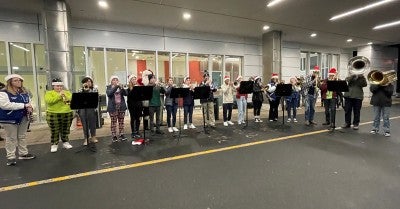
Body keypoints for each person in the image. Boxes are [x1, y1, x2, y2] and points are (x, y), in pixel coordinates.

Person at [0, 74, 36, 166]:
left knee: (22, 136)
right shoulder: (3, 92)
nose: (18, 82)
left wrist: (31, 107)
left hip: (23, 117)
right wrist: (23, 106)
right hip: (9, 118)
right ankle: (11, 157)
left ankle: (23, 153)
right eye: (15, 80)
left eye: (19, 80)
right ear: (10, 82)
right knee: (11, 138)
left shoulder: (24, 91)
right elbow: (5, 105)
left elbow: (31, 101)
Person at [44, 78, 74, 153]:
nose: (59, 88)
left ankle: (65, 142)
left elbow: (71, 99)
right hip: (53, 113)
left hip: (67, 113)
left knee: (66, 129)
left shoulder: (67, 92)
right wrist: (59, 96)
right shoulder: (49, 93)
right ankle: (54, 144)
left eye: (60, 86)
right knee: (55, 130)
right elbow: (49, 101)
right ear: (53, 86)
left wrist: (65, 96)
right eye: (57, 86)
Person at [77, 76, 98, 145]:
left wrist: (88, 90)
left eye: (89, 81)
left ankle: (93, 137)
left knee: (92, 124)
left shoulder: (94, 89)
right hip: (83, 109)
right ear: (83, 83)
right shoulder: (80, 90)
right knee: (84, 124)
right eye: (87, 81)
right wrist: (84, 90)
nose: (88, 83)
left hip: (91, 108)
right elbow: (79, 100)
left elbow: (95, 98)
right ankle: (86, 138)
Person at [106, 75, 128, 142]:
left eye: (116, 80)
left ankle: (121, 134)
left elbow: (126, 94)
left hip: (121, 107)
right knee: (113, 122)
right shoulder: (109, 87)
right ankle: (114, 136)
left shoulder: (120, 87)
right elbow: (109, 94)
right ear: (111, 81)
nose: (115, 81)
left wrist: (122, 88)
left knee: (121, 121)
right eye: (113, 80)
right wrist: (116, 87)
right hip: (113, 107)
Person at [127, 74, 142, 139]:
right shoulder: (128, 88)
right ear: (130, 81)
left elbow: (141, 96)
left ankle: (137, 131)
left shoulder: (138, 87)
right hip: (131, 105)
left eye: (135, 79)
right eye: (133, 79)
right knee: (133, 118)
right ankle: (133, 132)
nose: (134, 80)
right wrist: (133, 89)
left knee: (138, 118)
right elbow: (129, 96)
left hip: (138, 105)